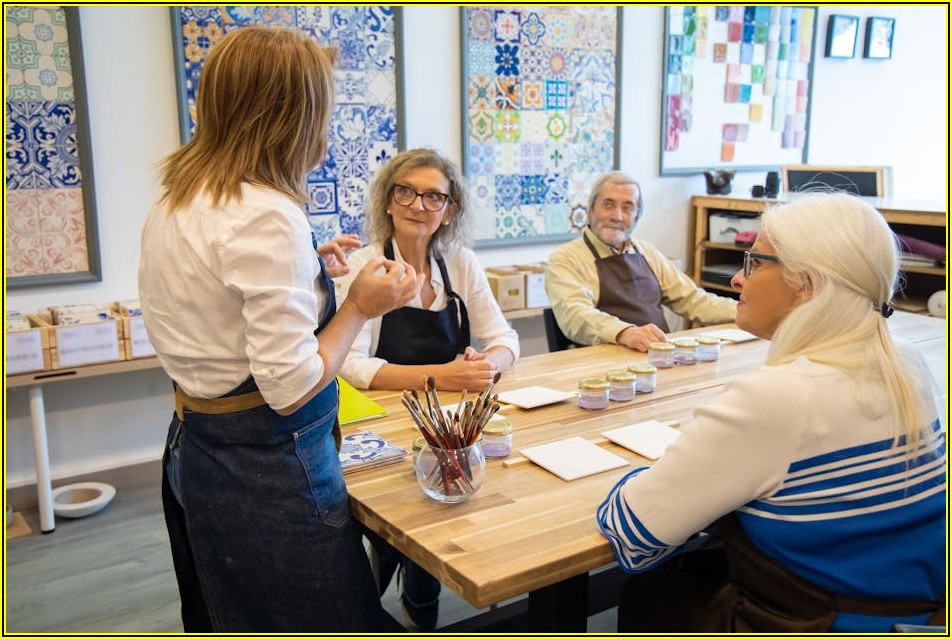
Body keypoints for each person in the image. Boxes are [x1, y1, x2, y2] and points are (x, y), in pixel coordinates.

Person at [138, 27, 422, 632]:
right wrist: (359, 307)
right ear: (292, 114)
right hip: (264, 469)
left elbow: (218, 298)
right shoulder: (267, 214)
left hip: (195, 448)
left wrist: (308, 269)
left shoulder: (181, 194)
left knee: (228, 614)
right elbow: (291, 387)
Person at [596, 193, 946, 632]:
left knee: (654, 593)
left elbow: (633, 535)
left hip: (816, 621)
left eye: (755, 262)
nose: (739, 279)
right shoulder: (908, 365)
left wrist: (654, 472)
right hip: (910, 616)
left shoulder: (779, 398)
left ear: (808, 283)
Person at [336, 148, 520, 630]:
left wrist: (486, 365)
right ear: (389, 201)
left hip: (448, 424)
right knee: (402, 521)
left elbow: (505, 339)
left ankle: (419, 612)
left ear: (450, 209)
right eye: (407, 192)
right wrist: (442, 376)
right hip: (381, 420)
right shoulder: (366, 265)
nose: (419, 205)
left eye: (434, 196)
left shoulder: (459, 262)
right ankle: (375, 609)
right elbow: (350, 363)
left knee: (442, 511)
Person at [545, 171, 736, 351]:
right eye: (608, 204)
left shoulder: (647, 252)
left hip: (658, 357)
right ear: (591, 209)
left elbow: (693, 300)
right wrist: (626, 333)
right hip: (603, 368)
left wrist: (742, 312)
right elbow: (575, 316)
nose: (617, 216)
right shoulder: (565, 260)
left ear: (637, 216)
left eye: (627, 208)